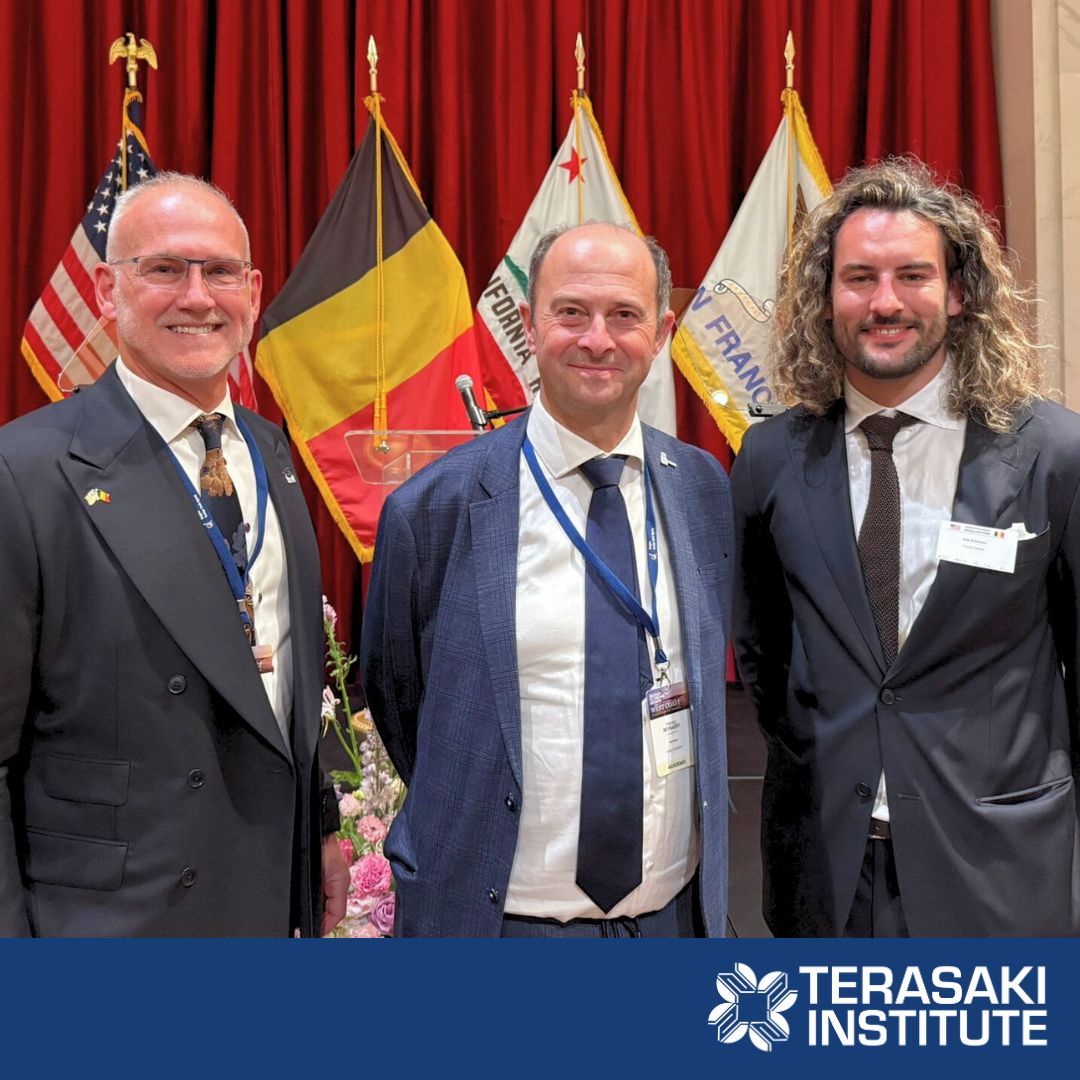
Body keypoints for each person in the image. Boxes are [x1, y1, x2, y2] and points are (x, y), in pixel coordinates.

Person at [732, 157, 1080, 937]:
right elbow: (763, 652)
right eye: (858, 278)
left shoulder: (1055, 454)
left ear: (958, 295)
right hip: (825, 873)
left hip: (1003, 869)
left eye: (912, 275)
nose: (884, 302)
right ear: (825, 299)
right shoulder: (770, 459)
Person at [0, 173, 348, 936]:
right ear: (103, 289)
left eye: (221, 271)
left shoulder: (271, 450)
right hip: (110, 921)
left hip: (266, 896)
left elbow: (284, 668)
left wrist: (320, 825)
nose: (198, 297)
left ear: (253, 292)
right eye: (164, 269)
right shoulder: (24, 472)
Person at [361, 222, 732, 937]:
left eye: (624, 315)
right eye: (571, 312)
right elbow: (401, 701)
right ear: (529, 325)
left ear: (661, 333)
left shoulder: (702, 490)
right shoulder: (435, 509)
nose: (598, 339)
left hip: (674, 924)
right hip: (499, 926)